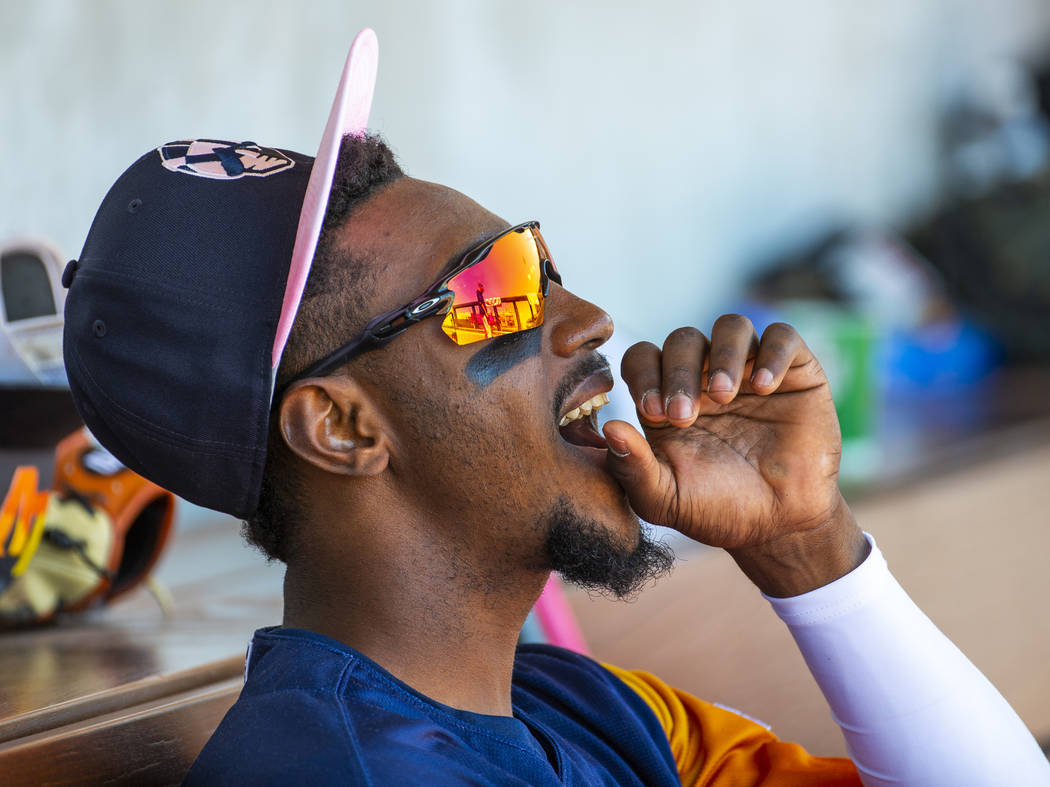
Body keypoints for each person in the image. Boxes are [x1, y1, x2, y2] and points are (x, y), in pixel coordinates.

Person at [62, 32, 1049, 786]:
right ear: (344, 428)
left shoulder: (580, 709)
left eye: (541, 264)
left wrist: (807, 544)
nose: (587, 320)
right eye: (499, 290)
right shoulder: (337, 770)